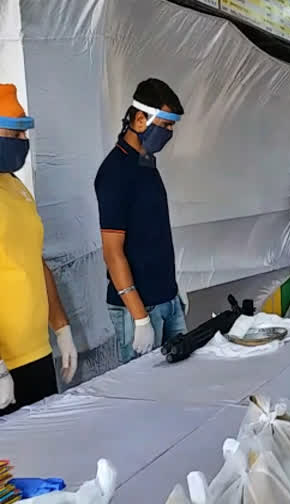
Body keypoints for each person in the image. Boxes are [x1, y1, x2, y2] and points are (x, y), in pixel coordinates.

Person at [95, 78, 187, 364]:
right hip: (139, 308)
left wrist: (173, 292)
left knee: (181, 384)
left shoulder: (147, 164)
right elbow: (112, 252)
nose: (170, 133)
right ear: (139, 119)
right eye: (165, 125)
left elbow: (153, 234)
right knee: (145, 397)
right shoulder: (114, 172)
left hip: (168, 300)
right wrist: (139, 317)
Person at [0, 84, 78, 415]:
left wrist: (61, 327)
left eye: (24, 135)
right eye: (14, 134)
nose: (23, 144)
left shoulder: (15, 187)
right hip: (7, 363)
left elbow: (35, 259)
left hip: (36, 352)